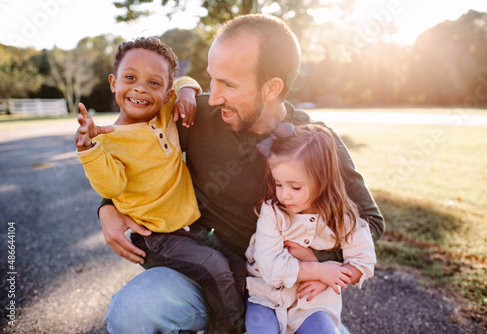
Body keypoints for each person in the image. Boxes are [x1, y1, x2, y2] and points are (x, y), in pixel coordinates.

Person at [97, 14, 385, 334]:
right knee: (131, 311)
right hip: (210, 274)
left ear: (271, 88)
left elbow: (370, 221)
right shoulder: (196, 116)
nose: (215, 96)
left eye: (228, 84)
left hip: (287, 290)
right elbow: (135, 146)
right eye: (212, 79)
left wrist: (313, 261)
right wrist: (107, 204)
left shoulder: (314, 142)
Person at [75, 37, 245, 333]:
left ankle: (234, 318)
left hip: (194, 229)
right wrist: (89, 149)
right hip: (158, 236)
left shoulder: (166, 112)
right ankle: (231, 329)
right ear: (114, 82)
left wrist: (187, 93)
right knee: (214, 267)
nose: (141, 88)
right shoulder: (108, 140)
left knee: (239, 269)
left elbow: (185, 81)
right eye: (130, 78)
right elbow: (111, 188)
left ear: (167, 92)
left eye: (154, 83)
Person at [245, 123, 377, 334]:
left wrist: (330, 277)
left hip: (313, 301)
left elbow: (363, 260)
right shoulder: (273, 212)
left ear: (322, 180)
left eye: (295, 187)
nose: (284, 194)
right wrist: (319, 271)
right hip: (267, 297)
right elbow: (269, 266)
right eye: (278, 184)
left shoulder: (342, 217)